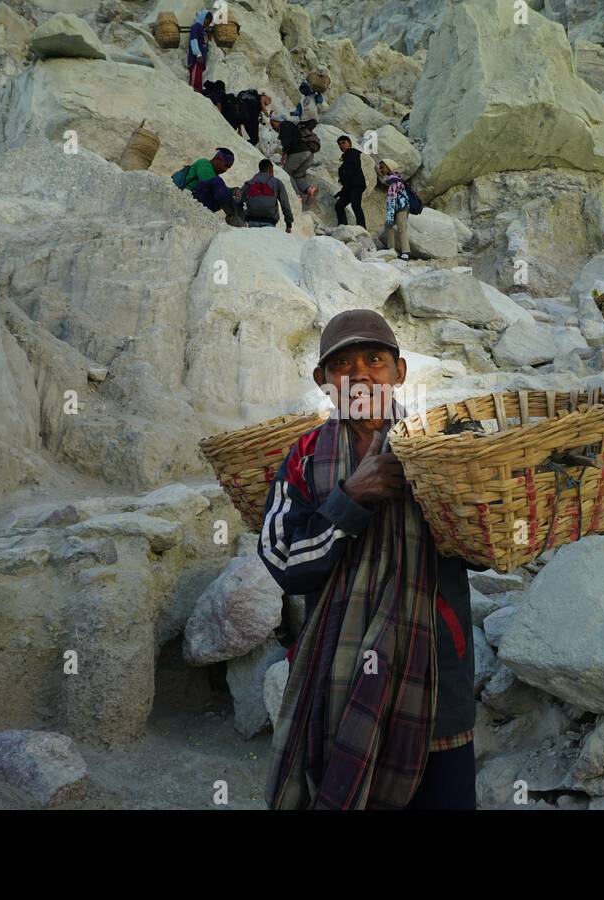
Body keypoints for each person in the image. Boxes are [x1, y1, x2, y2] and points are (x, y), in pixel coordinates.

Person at [259, 308, 480, 810]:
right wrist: (348, 500)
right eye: (342, 364)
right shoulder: (304, 458)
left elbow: (485, 550)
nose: (359, 373)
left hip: (435, 672)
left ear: (399, 373)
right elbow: (284, 562)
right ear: (323, 381)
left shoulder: (444, 444)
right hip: (335, 675)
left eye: (374, 359)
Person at [269, 112, 318, 205]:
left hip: (298, 153)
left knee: (286, 173)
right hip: (309, 154)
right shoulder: (293, 126)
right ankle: (309, 190)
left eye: (273, 123)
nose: (272, 127)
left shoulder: (284, 125)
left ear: (278, 121)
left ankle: (296, 196)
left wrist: (284, 154)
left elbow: (287, 141)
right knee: (296, 175)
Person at [180, 147, 239, 220]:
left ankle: (240, 220)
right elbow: (210, 182)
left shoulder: (213, 174)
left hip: (199, 202)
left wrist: (234, 191)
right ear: (218, 158)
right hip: (188, 198)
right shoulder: (204, 164)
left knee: (232, 194)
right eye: (225, 165)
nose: (225, 169)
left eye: (228, 168)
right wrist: (231, 191)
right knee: (217, 183)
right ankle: (233, 218)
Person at [240, 158, 294, 231]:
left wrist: (243, 216)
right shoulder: (277, 183)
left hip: (252, 221)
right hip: (269, 221)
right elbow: (285, 203)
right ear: (270, 169)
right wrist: (288, 223)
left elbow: (238, 200)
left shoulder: (250, 183)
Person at [379, 159, 410, 260]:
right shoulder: (395, 179)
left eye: (382, 167)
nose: (380, 170)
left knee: (401, 228)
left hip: (401, 207)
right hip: (400, 206)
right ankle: (391, 248)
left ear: (389, 167)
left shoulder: (394, 181)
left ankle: (405, 252)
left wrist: (390, 215)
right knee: (389, 225)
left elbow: (392, 200)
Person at [334, 134, 367, 228]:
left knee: (355, 205)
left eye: (344, 143)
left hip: (356, 185)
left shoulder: (352, 153)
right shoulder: (347, 156)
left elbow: (352, 169)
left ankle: (362, 227)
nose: (341, 145)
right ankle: (343, 227)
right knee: (339, 205)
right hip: (350, 186)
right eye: (339, 144)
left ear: (350, 143)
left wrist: (344, 188)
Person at [187, 10, 210, 93]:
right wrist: (198, 54)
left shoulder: (203, 32)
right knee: (194, 86)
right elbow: (193, 40)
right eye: (206, 18)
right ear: (201, 17)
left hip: (200, 62)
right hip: (196, 61)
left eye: (209, 20)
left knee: (199, 85)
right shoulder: (197, 26)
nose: (207, 21)